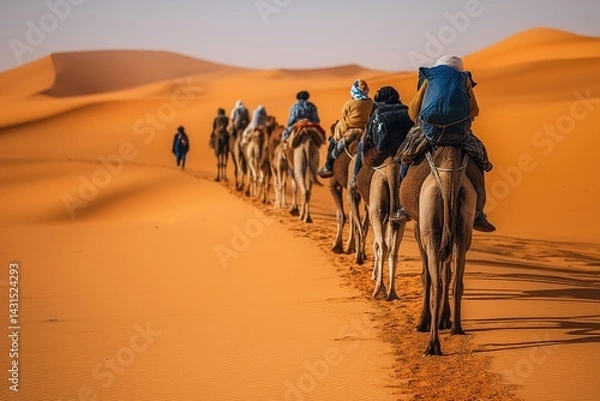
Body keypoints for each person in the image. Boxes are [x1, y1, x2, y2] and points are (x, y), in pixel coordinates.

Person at [407, 55, 496, 232]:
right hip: (458, 134)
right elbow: (474, 110)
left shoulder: (429, 78)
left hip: (430, 132)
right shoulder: (464, 79)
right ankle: (479, 214)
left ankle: (401, 206)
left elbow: (414, 108)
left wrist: (420, 124)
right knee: (480, 160)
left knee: (405, 155)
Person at [350, 86, 415, 221]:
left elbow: (370, 135)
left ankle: (355, 179)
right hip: (403, 152)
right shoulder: (406, 109)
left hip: (382, 150)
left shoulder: (377, 110)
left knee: (361, 145)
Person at [317, 79, 374, 178]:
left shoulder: (349, 103)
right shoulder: (371, 102)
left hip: (350, 130)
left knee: (333, 140)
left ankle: (328, 165)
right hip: (365, 130)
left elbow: (344, 118)